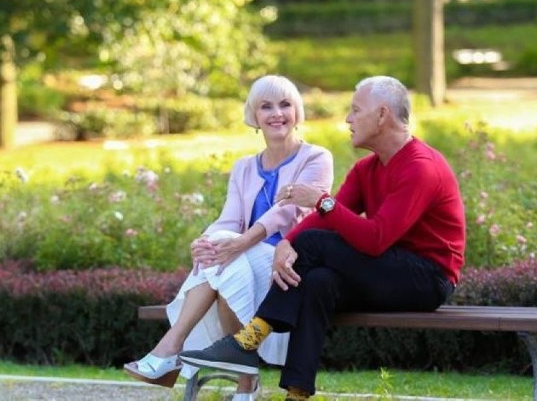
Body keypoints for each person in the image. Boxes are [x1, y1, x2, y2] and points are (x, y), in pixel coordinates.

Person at [179, 75, 466, 400]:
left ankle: (248, 340)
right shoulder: (366, 169)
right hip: (386, 271)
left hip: (427, 279)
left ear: (382, 115)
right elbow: (327, 218)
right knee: (318, 281)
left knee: (315, 245)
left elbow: (375, 238)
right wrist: (287, 242)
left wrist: (319, 201)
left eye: (356, 110)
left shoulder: (420, 167)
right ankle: (297, 394)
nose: (348, 118)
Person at [124, 75, 334, 400]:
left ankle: (170, 350)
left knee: (230, 257)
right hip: (244, 262)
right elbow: (230, 219)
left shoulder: (316, 158)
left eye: (285, 104)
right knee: (223, 255)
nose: (277, 113)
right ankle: (243, 386)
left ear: (297, 111)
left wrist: (239, 242)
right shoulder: (244, 167)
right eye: (266, 107)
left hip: (289, 263)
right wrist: (205, 241)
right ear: (254, 116)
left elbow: (287, 213)